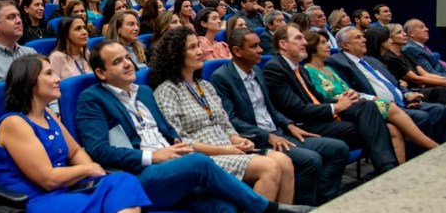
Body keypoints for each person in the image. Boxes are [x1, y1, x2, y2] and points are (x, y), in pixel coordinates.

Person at [78, 40, 312, 213]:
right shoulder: (92, 99)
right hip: (141, 176)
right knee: (199, 161)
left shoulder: (145, 92)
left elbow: (167, 131)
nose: (128, 64)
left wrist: (175, 143)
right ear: (101, 73)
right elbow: (98, 150)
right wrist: (155, 156)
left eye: (127, 58)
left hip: (178, 168)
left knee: (225, 209)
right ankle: (268, 208)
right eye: (117, 62)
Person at [151, 27, 296, 204]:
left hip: (228, 147)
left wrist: (239, 141)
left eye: (198, 46)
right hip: (206, 158)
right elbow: (180, 141)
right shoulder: (167, 91)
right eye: (192, 48)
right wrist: (225, 150)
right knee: (270, 167)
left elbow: (225, 124)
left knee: (285, 163)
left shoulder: (205, 85)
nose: (200, 51)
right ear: (175, 54)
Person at [211, 28, 350, 206]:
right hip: (258, 139)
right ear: (237, 51)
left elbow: (271, 108)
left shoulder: (257, 72)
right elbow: (230, 121)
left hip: (280, 132)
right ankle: (306, 206)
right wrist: (267, 136)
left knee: (339, 149)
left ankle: (323, 201)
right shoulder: (222, 78)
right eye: (254, 46)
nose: (261, 50)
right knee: (311, 160)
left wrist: (289, 124)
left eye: (260, 45)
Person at [0, 54, 149, 213]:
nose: (57, 79)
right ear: (29, 82)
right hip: (37, 200)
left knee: (124, 181)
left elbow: (74, 151)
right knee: (118, 197)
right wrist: (87, 170)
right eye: (49, 74)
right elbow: (48, 179)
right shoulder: (14, 123)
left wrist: (92, 175)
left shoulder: (47, 113)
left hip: (66, 189)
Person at [262, 24, 398, 175]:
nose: (305, 42)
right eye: (298, 38)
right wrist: (337, 107)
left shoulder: (299, 68)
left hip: (321, 116)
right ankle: (387, 168)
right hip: (305, 124)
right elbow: (296, 109)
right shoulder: (274, 68)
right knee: (372, 127)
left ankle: (387, 168)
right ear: (283, 44)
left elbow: (317, 98)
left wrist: (342, 99)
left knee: (366, 106)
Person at [307, 30, 439, 164]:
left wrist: (406, 94)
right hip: (347, 111)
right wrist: (359, 97)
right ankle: (433, 148)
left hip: (363, 104)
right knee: (397, 109)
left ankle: (399, 170)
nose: (329, 45)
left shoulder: (331, 69)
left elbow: (389, 83)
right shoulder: (323, 66)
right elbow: (323, 98)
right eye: (323, 43)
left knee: (396, 127)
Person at [372, 24, 446, 104]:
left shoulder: (405, 54)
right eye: (399, 32)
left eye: (403, 31)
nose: (405, 34)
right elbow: (416, 79)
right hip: (411, 91)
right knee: (440, 90)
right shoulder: (390, 58)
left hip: (421, 88)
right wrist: (443, 82)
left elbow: (425, 74)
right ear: (390, 38)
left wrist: (444, 79)